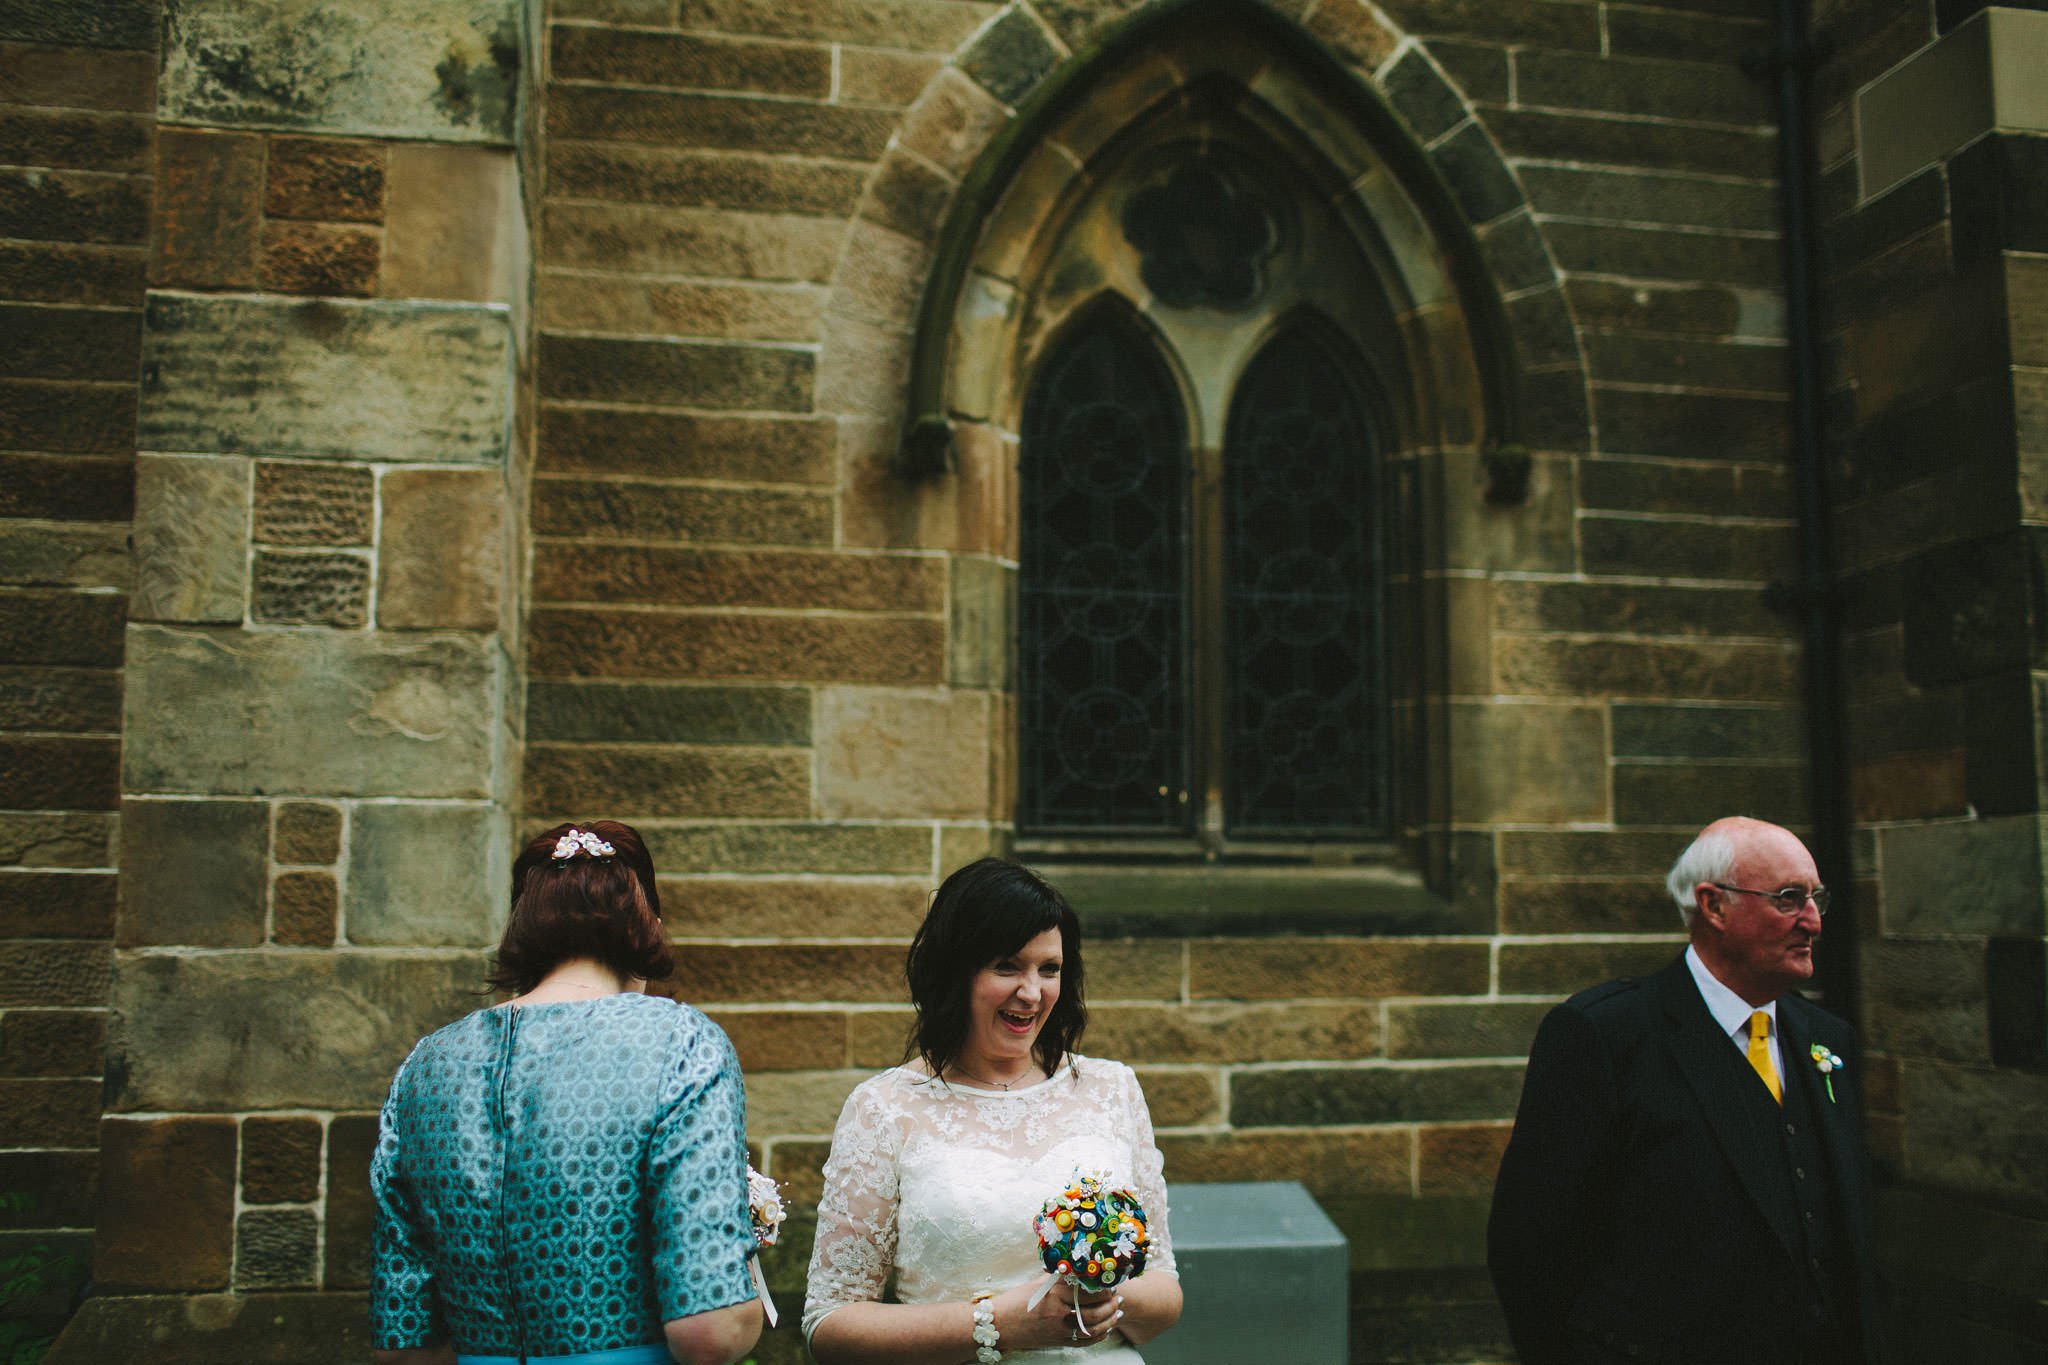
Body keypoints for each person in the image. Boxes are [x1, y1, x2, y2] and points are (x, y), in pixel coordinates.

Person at [1487, 816, 1881, 1365]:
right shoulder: (1604, 1034)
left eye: (1816, 899)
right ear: (1714, 907)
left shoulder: (1826, 1037)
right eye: (1789, 899)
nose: (1812, 921)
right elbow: (1529, 1242)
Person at [370, 821, 763, 1365]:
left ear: (522, 925)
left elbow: (405, 1342)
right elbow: (710, 1332)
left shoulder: (425, 1064)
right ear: (648, 922)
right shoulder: (681, 1041)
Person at [804, 857, 1183, 1363]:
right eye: (1007, 966)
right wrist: (999, 1324)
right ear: (954, 970)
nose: (1031, 993)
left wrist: (1098, 1291)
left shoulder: (1110, 1088)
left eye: (1049, 969)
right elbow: (829, 1326)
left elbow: (1164, 1294)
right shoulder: (885, 1108)